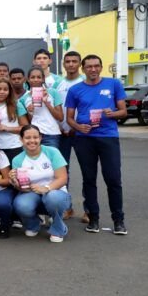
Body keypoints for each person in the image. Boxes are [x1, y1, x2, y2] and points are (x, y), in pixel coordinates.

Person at [65, 54, 127, 235]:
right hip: (84, 139)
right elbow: (69, 117)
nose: (93, 69)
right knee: (89, 179)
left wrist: (112, 113)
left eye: (96, 66)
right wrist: (78, 127)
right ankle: (93, 219)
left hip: (108, 137)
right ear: (83, 69)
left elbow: (123, 111)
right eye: (89, 66)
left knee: (113, 178)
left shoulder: (113, 84)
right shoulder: (75, 89)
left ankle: (118, 220)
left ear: (101, 67)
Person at [10, 125, 72, 243]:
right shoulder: (17, 159)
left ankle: (58, 228)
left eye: (35, 137)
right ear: (21, 139)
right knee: (21, 204)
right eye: (27, 138)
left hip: (56, 191)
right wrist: (14, 182)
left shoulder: (52, 152)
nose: (32, 140)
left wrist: (46, 188)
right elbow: (22, 188)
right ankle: (33, 224)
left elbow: (63, 178)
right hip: (32, 192)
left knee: (53, 197)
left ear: (41, 138)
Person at [54, 50, 85, 221]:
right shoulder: (58, 84)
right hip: (62, 133)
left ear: (79, 64)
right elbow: (56, 108)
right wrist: (60, 127)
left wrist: (76, 126)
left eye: (74, 61)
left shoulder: (84, 82)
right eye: (68, 61)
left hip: (81, 133)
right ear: (64, 64)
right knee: (63, 171)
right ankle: (67, 207)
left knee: (87, 171)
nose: (71, 64)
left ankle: (89, 210)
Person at [0, 78, 28, 162]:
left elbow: (26, 128)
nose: (2, 92)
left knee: (15, 173)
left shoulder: (16, 105)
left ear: (9, 91)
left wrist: (7, 128)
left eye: (5, 89)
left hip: (15, 147)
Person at [23, 67, 63, 148]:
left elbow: (60, 117)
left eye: (38, 77)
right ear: (28, 79)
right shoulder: (24, 98)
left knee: (51, 159)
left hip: (51, 134)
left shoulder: (53, 92)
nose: (36, 79)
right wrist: (30, 111)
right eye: (33, 77)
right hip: (33, 135)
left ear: (43, 79)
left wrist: (46, 102)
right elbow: (29, 120)